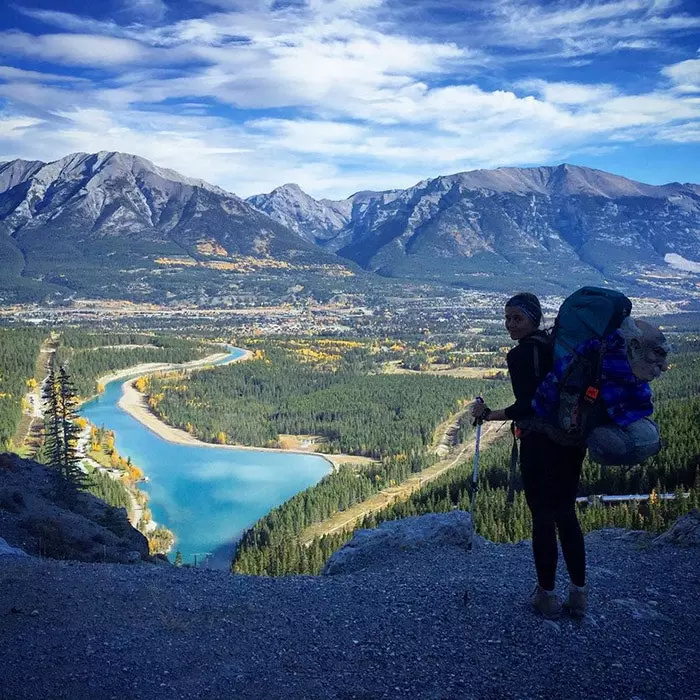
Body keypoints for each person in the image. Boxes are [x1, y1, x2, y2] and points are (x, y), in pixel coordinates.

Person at [470, 292, 587, 620]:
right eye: (507, 318)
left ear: (533, 318)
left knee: (542, 518)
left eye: (517, 318)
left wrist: (489, 414)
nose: (510, 325)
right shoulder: (557, 347)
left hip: (539, 443)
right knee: (566, 514)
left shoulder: (521, 354)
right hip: (571, 440)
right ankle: (579, 596)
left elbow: (528, 405)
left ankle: (546, 596)